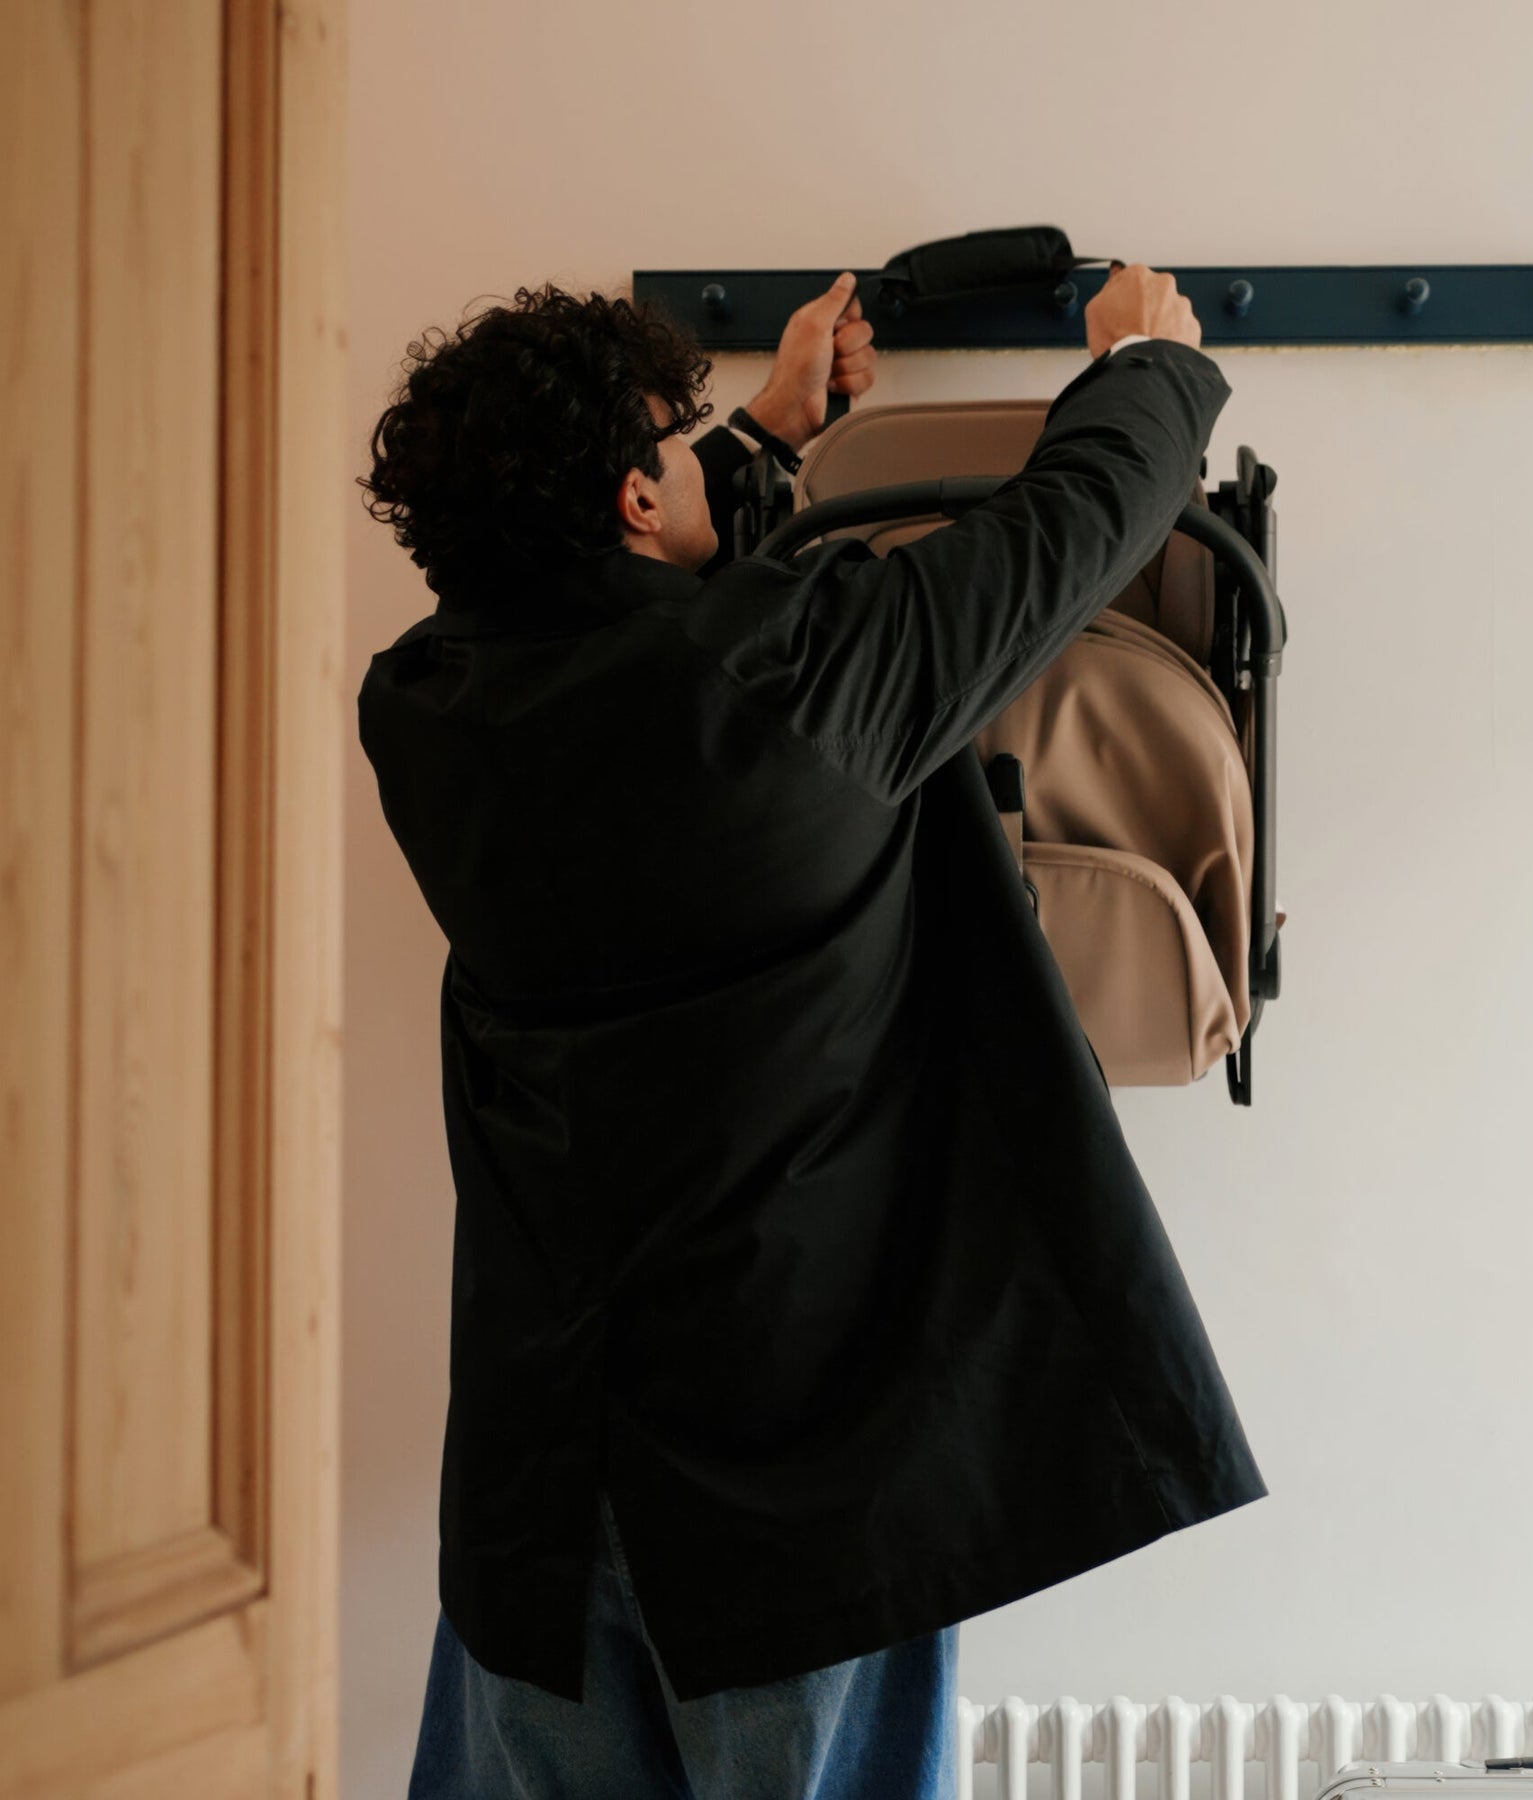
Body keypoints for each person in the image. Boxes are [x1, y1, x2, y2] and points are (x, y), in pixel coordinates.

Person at [358, 262, 1268, 1800]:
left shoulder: (422, 712)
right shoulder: (790, 676)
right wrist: (1148, 368)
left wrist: (767, 432)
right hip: (793, 1492)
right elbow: (1061, 537)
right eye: (675, 438)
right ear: (635, 497)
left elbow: (602, 598)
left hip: (542, 1485)